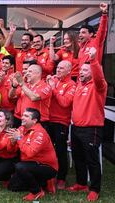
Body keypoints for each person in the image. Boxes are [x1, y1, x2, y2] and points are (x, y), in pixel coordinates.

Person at [68, 47, 107, 201]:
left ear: (93, 72)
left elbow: (99, 77)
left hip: (92, 129)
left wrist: (93, 60)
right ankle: (81, 183)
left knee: (92, 160)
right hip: (76, 128)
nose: (81, 72)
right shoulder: (79, 85)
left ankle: (95, 189)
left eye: (85, 70)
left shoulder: (99, 86)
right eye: (81, 70)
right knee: (78, 158)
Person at [7, 108, 58, 201]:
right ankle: (44, 183)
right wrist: (12, 141)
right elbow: (10, 150)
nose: (22, 118)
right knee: (12, 186)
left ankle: (37, 191)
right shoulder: (21, 128)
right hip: (30, 165)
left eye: (26, 116)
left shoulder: (40, 132)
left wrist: (18, 138)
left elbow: (30, 153)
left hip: (46, 166)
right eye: (22, 115)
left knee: (20, 167)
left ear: (34, 120)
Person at [46, 60, 76, 189]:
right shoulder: (54, 80)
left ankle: (62, 178)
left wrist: (53, 88)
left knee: (60, 150)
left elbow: (65, 103)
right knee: (47, 149)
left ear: (69, 71)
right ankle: (48, 176)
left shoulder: (71, 85)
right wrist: (48, 84)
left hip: (61, 122)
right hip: (48, 119)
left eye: (61, 68)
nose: (58, 70)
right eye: (57, 68)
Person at [9, 64, 52, 129]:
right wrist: (14, 86)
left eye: (30, 71)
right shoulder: (26, 85)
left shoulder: (45, 86)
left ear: (38, 73)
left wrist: (22, 84)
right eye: (27, 71)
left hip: (39, 122)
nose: (27, 74)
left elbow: (34, 97)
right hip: (24, 120)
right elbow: (11, 96)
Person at [78, 3, 108, 68]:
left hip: (93, 75)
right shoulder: (80, 46)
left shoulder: (96, 42)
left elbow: (102, 30)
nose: (80, 35)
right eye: (79, 33)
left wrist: (104, 14)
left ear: (91, 34)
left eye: (83, 32)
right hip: (81, 76)